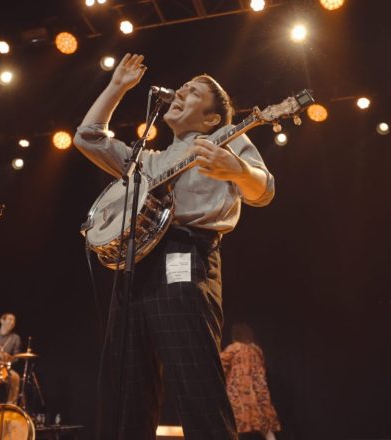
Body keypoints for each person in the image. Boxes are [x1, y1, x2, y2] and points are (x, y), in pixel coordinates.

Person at [74, 53, 275, 439]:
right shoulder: (146, 161)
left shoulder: (225, 138)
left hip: (186, 256)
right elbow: (88, 137)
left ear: (212, 119)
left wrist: (237, 169)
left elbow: (264, 190)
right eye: (182, 87)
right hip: (136, 264)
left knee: (196, 382)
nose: (181, 92)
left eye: (194, 92)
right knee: (127, 388)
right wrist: (117, 87)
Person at [220, 323, 281, 440]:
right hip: (258, 398)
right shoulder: (256, 351)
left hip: (238, 397)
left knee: (234, 427)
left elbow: (219, 366)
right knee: (266, 430)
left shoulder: (234, 349)